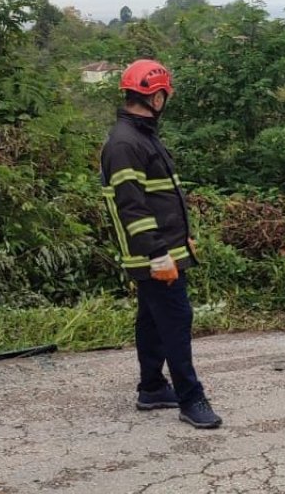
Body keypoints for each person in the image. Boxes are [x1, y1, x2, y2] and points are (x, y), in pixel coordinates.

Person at [100, 59, 222, 429]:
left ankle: (152, 388)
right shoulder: (126, 143)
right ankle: (191, 397)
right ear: (155, 97)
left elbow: (161, 196)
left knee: (152, 320)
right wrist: (157, 254)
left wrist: (182, 237)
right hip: (154, 253)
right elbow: (132, 206)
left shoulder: (141, 136)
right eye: (164, 95)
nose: (165, 101)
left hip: (166, 247)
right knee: (176, 319)